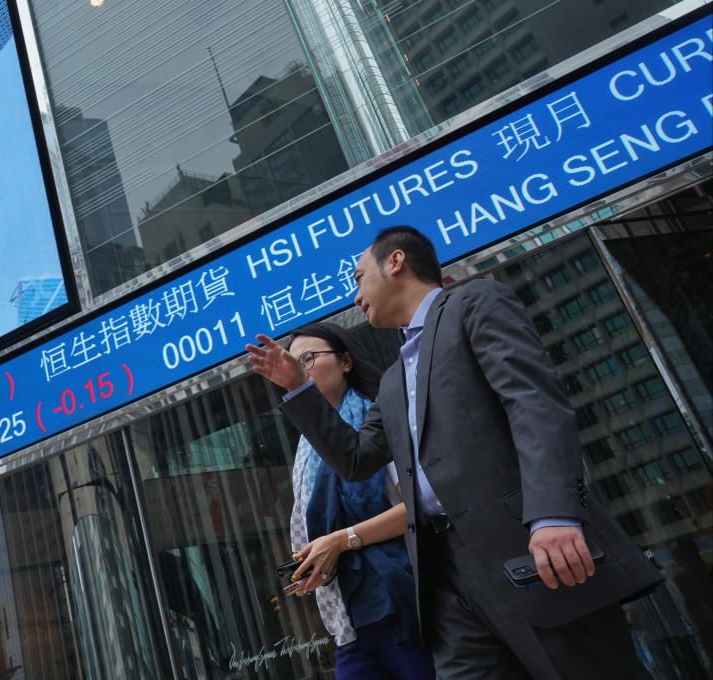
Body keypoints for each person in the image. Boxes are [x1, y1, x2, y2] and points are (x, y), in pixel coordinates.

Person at [247, 225, 663, 679]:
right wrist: (298, 387)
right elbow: (355, 458)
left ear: (396, 262)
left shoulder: (474, 303)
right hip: (443, 577)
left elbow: (534, 405)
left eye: (359, 277)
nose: (355, 297)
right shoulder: (391, 382)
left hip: (524, 547)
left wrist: (553, 515)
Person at [284, 322, 434, 679]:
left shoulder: (378, 421)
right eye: (293, 366)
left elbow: (421, 505)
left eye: (308, 359)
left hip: (403, 600)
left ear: (346, 362)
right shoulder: (306, 448)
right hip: (348, 616)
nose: (301, 371)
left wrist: (341, 540)